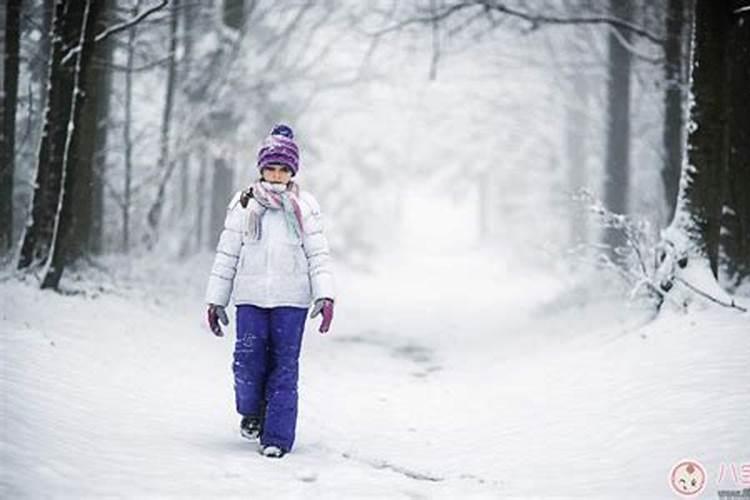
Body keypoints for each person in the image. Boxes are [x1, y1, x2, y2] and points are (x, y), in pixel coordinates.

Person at [204, 124, 335, 458]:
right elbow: (227, 253)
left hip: (291, 302)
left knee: (284, 368)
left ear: (292, 171)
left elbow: (318, 255)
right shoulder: (244, 203)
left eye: (283, 169)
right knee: (246, 363)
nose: (276, 175)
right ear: (261, 168)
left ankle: (276, 436)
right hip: (250, 300)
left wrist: (325, 295)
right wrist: (216, 299)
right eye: (271, 168)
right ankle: (251, 411)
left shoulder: (304, 206)